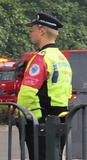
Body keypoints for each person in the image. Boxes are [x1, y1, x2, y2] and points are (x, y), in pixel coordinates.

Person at [17, 12, 72, 160]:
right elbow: (66, 92)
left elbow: (28, 91)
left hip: (41, 120)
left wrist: (18, 111)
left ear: (41, 31)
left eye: (32, 30)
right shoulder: (61, 58)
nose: (30, 34)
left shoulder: (41, 58)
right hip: (60, 119)